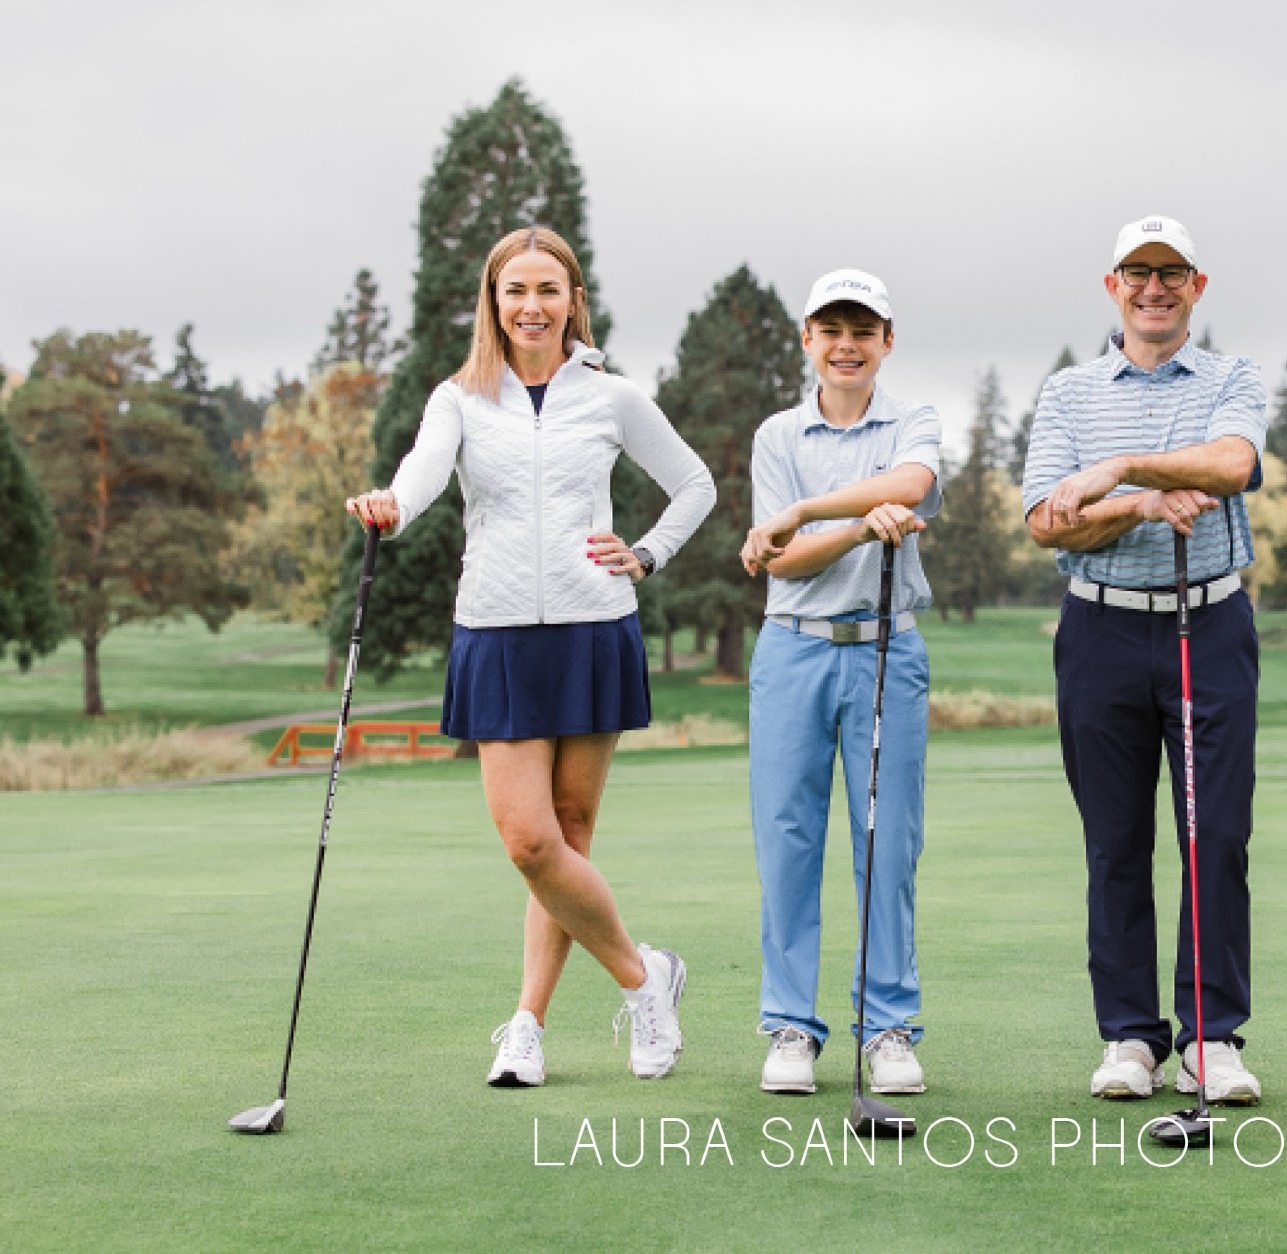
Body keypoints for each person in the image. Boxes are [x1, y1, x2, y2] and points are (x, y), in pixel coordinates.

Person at [345, 226, 715, 1088]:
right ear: (494, 302)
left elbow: (695, 483)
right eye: (516, 291)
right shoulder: (459, 398)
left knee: (572, 833)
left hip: (594, 626)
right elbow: (423, 474)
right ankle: (642, 974)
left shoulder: (612, 396)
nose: (532, 306)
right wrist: (391, 508)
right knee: (529, 843)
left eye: (549, 289)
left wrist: (648, 553)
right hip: (498, 630)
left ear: (572, 301)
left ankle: (527, 1025)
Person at [1020, 215, 1268, 1106]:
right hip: (1102, 630)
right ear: (1112, 285)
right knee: (1115, 842)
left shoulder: (1233, 377)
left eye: (1172, 272)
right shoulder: (1068, 393)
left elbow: (1234, 465)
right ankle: (1131, 1036)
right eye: (1138, 271)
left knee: (1218, 836)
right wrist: (1142, 499)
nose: (1154, 287)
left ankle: (1212, 1036)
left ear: (1196, 286)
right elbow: (1048, 520)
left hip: (1210, 623)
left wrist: (1117, 468)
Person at [738, 269, 942, 1096]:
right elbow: (781, 561)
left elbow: (913, 484)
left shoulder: (914, 419)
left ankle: (888, 1028)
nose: (847, 345)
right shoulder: (778, 435)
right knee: (788, 839)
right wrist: (854, 523)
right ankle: (791, 1026)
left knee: (885, 842)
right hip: (793, 649)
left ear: (886, 341)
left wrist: (803, 512)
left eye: (863, 330)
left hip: (887, 648)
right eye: (832, 329)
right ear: (808, 341)